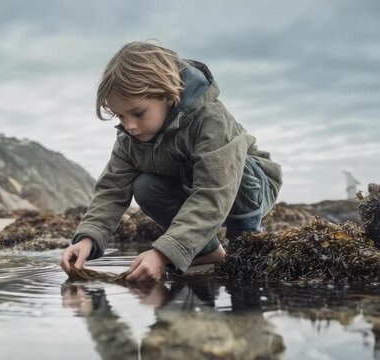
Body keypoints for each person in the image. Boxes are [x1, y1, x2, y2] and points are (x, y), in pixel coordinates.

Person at [60, 41, 283, 282]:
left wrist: (163, 253)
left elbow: (212, 193)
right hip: (191, 185)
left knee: (236, 174)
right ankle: (207, 251)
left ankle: (246, 243)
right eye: (120, 116)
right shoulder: (130, 138)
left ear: (168, 95)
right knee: (144, 186)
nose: (130, 125)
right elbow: (111, 190)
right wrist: (87, 240)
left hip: (250, 186)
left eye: (138, 113)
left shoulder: (211, 120)